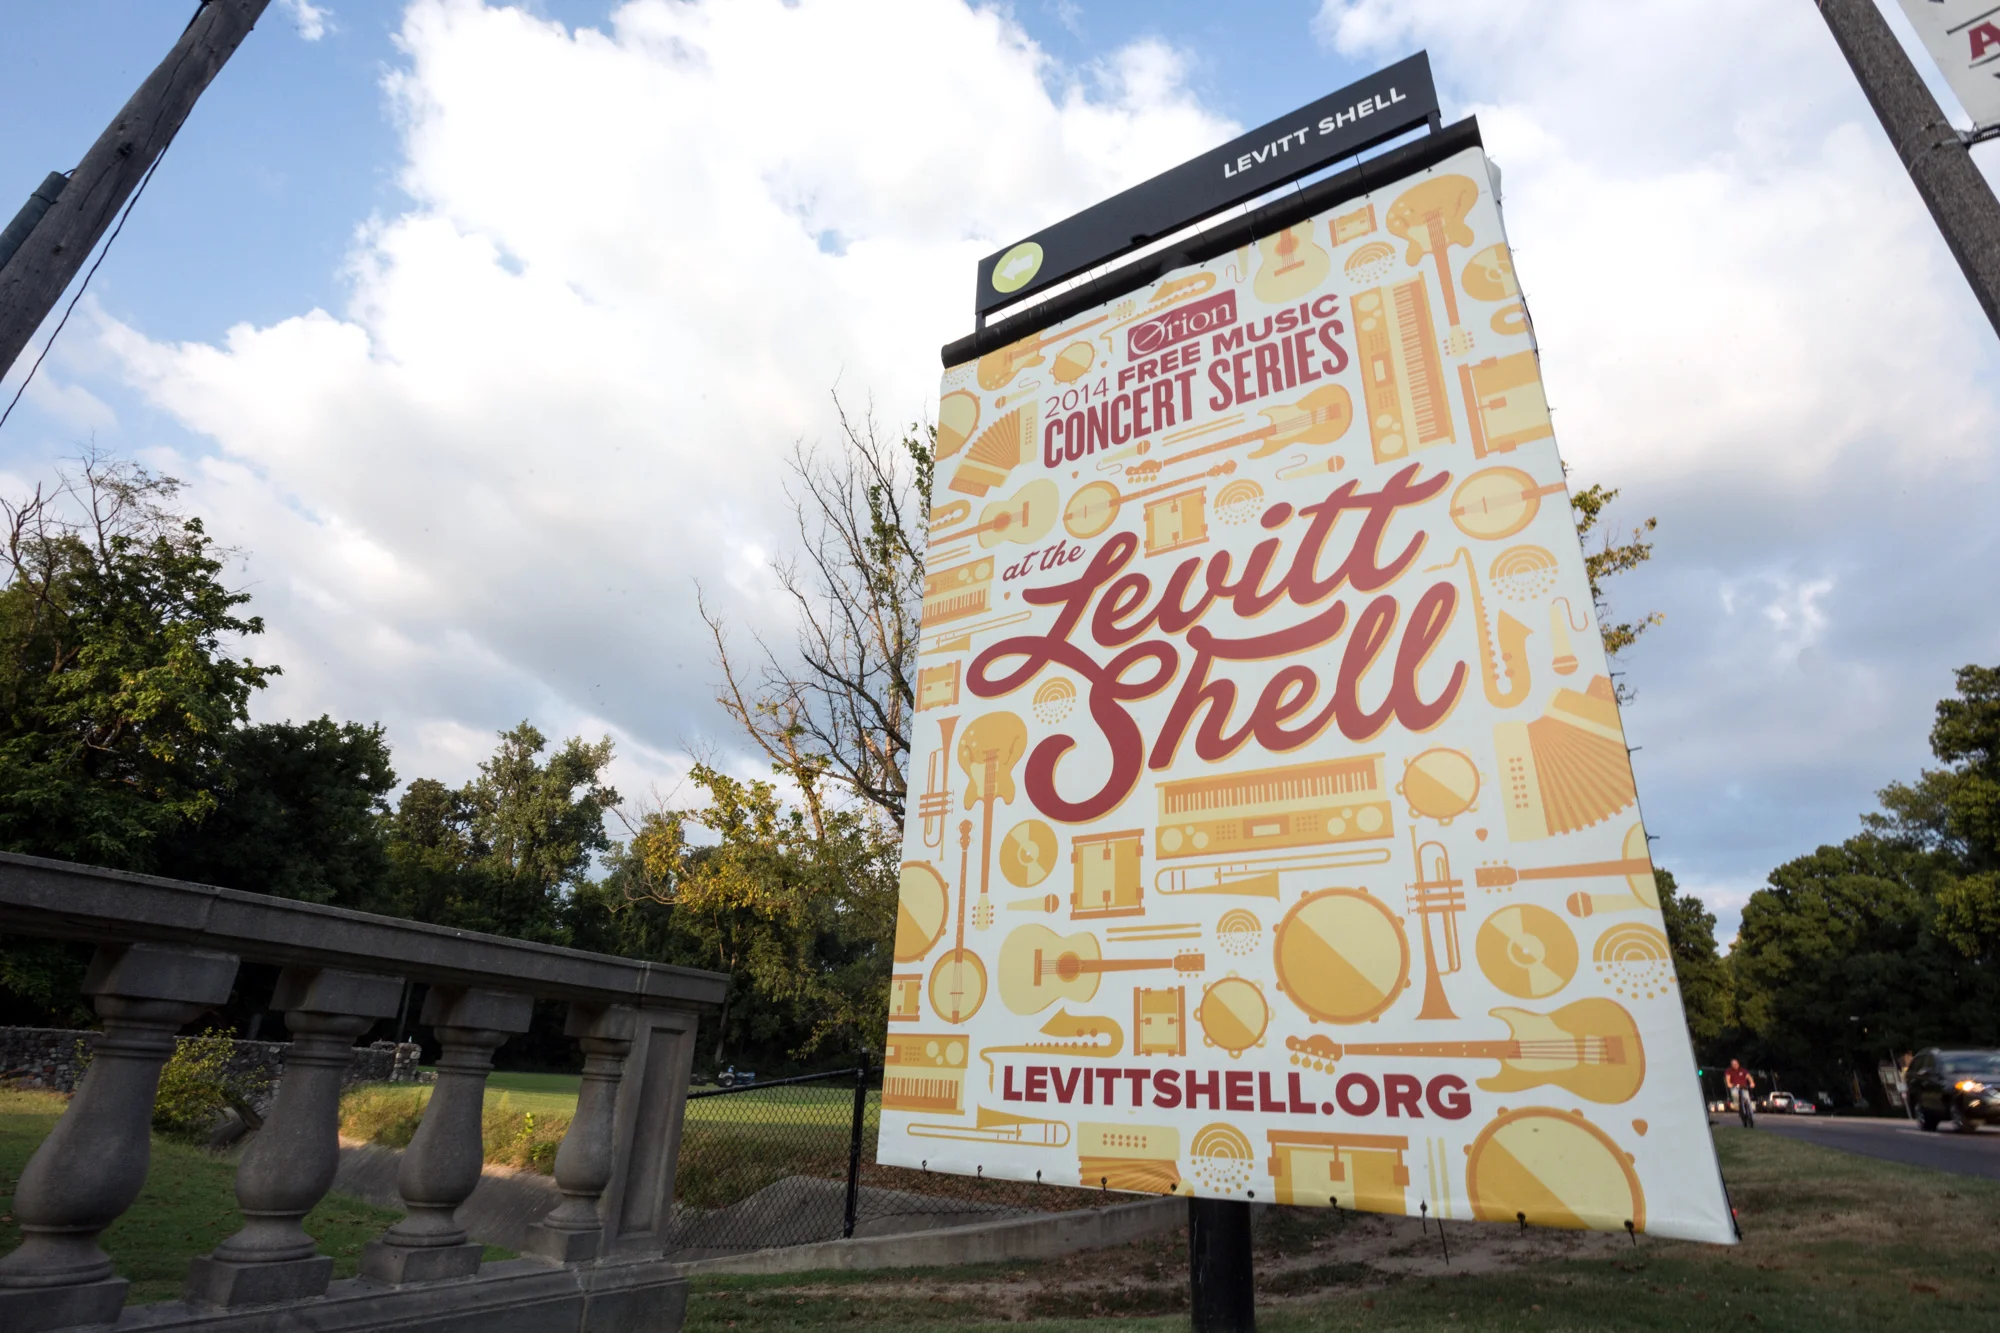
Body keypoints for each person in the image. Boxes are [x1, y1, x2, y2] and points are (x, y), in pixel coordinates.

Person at [1725, 1059, 1756, 1127]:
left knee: (1748, 1099)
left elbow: (1749, 1077)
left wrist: (1752, 1083)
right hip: (1735, 1087)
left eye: (1736, 1064)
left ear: (1738, 1064)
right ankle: (1738, 1106)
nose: (1735, 1065)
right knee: (1735, 1094)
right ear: (1731, 1065)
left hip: (1744, 1087)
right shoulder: (1729, 1071)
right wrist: (1729, 1084)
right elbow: (1728, 1079)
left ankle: (1751, 1115)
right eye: (1733, 1064)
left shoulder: (1743, 1070)